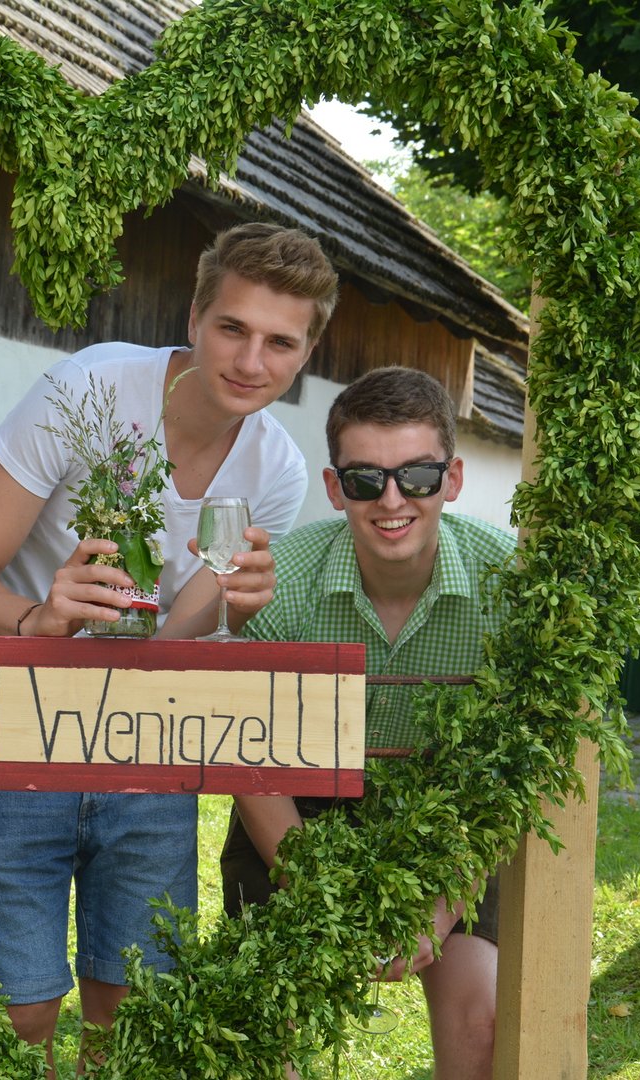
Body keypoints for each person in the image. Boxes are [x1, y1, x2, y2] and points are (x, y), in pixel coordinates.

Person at [0, 222, 340, 1068]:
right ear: (194, 318)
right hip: (22, 723)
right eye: (232, 328)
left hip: (148, 739)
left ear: (306, 355)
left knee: (134, 1012)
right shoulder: (91, 389)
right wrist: (38, 620)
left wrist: (241, 609)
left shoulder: (275, 468)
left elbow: (186, 628)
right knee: (23, 1012)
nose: (250, 360)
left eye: (280, 343)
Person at [221, 366, 514, 1080]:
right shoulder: (281, 583)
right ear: (334, 488)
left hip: (454, 812)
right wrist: (312, 891)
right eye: (364, 479)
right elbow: (250, 765)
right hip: (303, 806)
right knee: (259, 1028)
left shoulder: (511, 587)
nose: (392, 499)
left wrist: (442, 905)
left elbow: (512, 768)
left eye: (417, 475)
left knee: (483, 1023)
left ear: (452, 479)